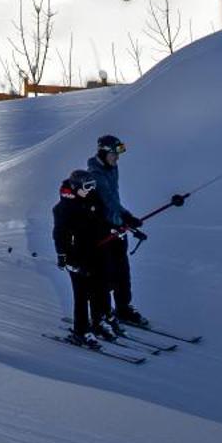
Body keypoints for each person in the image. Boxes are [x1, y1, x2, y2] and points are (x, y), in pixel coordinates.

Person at [85, 134, 148, 329]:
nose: (117, 157)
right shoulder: (95, 174)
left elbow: (115, 198)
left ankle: (123, 308)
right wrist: (127, 216)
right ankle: (104, 312)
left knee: (123, 271)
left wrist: (123, 221)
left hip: (116, 225)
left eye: (119, 153)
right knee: (106, 273)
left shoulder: (112, 168)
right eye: (114, 153)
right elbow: (107, 200)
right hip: (103, 230)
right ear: (103, 152)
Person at [52, 170, 115, 346]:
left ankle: (98, 322)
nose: (91, 189)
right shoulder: (64, 208)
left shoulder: (93, 199)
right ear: (76, 187)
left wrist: (112, 230)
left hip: (96, 252)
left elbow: (102, 222)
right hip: (76, 255)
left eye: (93, 185)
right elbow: (59, 233)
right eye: (87, 186)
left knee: (100, 288)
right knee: (81, 293)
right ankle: (81, 330)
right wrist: (62, 254)